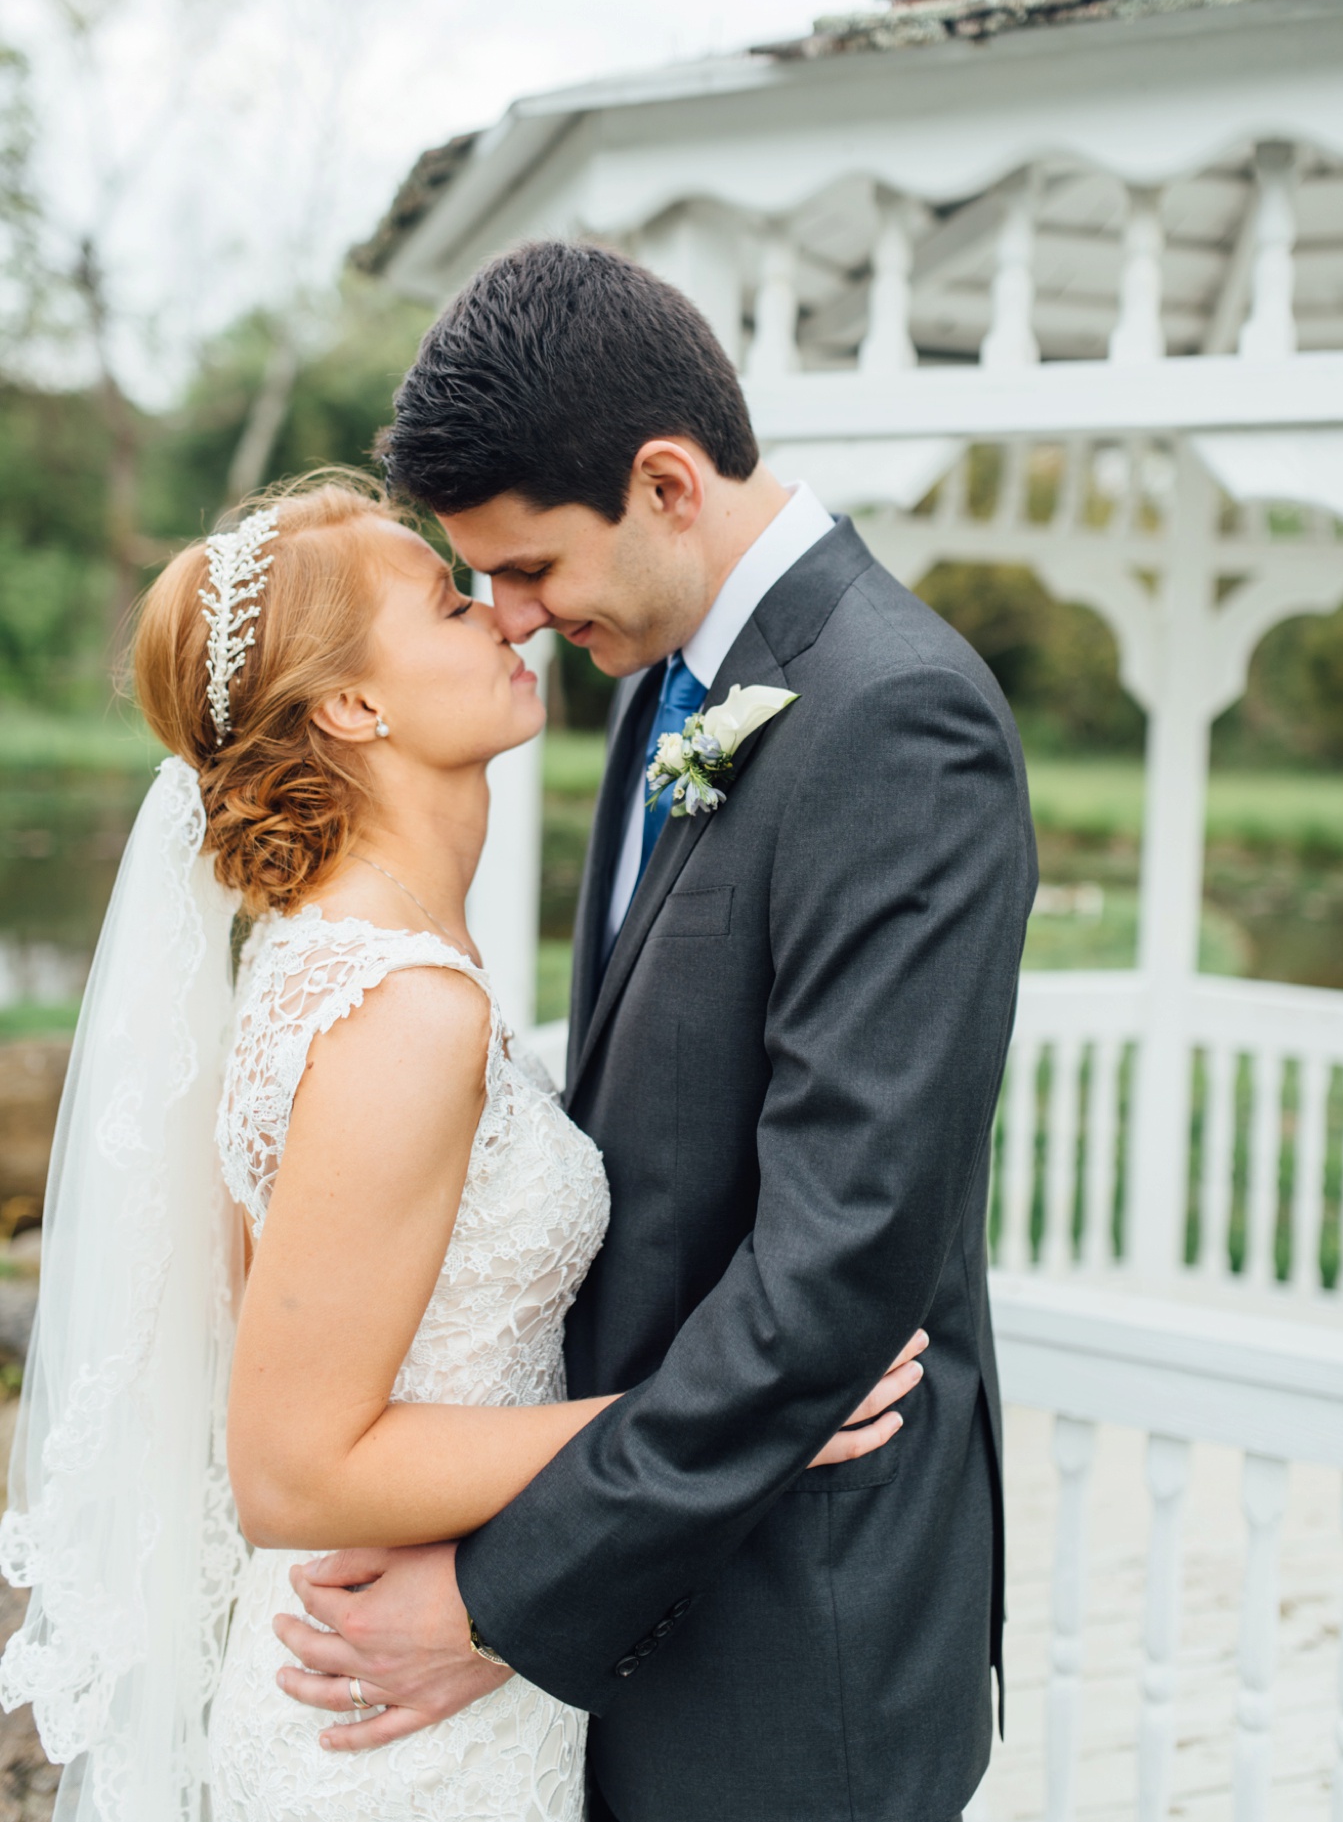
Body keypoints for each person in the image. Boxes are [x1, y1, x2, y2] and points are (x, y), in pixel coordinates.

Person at [0, 474, 919, 1822]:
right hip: (387, 1742)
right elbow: (290, 1466)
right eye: (447, 600)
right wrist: (739, 1418)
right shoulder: (402, 1012)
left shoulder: (345, 959)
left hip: (408, 1681)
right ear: (354, 706)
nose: (504, 617)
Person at [273, 244, 1037, 1822]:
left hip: (786, 1658)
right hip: (634, 1618)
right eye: (484, 580)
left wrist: (499, 1594)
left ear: (668, 482)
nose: (515, 620)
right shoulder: (664, 685)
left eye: (534, 569)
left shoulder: (901, 721)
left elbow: (834, 1278)